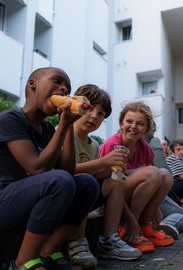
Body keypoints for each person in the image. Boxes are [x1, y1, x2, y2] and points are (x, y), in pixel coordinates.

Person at [0, 67, 100, 270]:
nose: (63, 90)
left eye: (67, 88)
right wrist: (62, 127)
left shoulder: (47, 130)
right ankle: (23, 260)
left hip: (24, 203)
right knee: (58, 180)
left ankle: (48, 250)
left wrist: (68, 125)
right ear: (32, 84)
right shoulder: (10, 119)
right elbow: (37, 168)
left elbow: (68, 171)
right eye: (57, 81)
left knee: (87, 183)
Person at [67, 85, 141, 268]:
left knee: (116, 183)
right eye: (89, 108)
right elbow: (62, 171)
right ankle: (77, 242)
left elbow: (92, 174)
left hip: (83, 194)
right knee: (85, 183)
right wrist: (102, 163)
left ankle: (108, 240)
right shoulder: (64, 133)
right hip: (64, 196)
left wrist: (108, 170)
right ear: (76, 106)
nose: (94, 116)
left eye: (101, 113)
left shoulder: (92, 145)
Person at [100, 101, 174, 252]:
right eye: (129, 121)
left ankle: (146, 227)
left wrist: (155, 211)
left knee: (165, 175)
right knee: (153, 172)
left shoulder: (144, 148)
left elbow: (152, 184)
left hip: (133, 197)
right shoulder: (112, 145)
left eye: (140, 124)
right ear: (121, 123)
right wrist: (131, 222)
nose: (133, 126)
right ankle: (128, 229)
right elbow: (114, 186)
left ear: (146, 128)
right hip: (113, 200)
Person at [145, 124, 183, 238]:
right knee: (181, 215)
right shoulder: (152, 141)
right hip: (151, 190)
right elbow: (164, 170)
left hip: (148, 190)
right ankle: (163, 226)